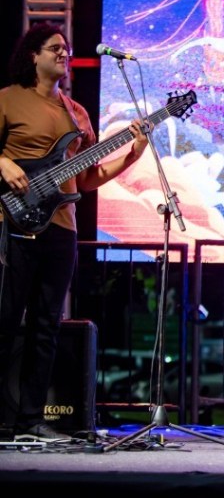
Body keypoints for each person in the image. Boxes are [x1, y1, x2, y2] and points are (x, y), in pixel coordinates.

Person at [0, 23, 150, 441]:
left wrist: (133, 155)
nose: (64, 55)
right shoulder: (8, 100)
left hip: (62, 228)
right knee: (6, 321)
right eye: (55, 49)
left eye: (67, 49)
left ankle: (29, 422)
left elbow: (87, 178)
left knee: (47, 325)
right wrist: (3, 163)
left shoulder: (76, 112)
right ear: (33, 55)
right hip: (11, 223)